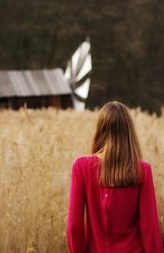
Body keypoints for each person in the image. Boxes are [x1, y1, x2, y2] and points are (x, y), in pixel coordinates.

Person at [66, 101, 163, 253]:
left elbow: (74, 226)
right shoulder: (143, 170)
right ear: (129, 132)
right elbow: (150, 227)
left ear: (100, 130)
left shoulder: (81, 167)